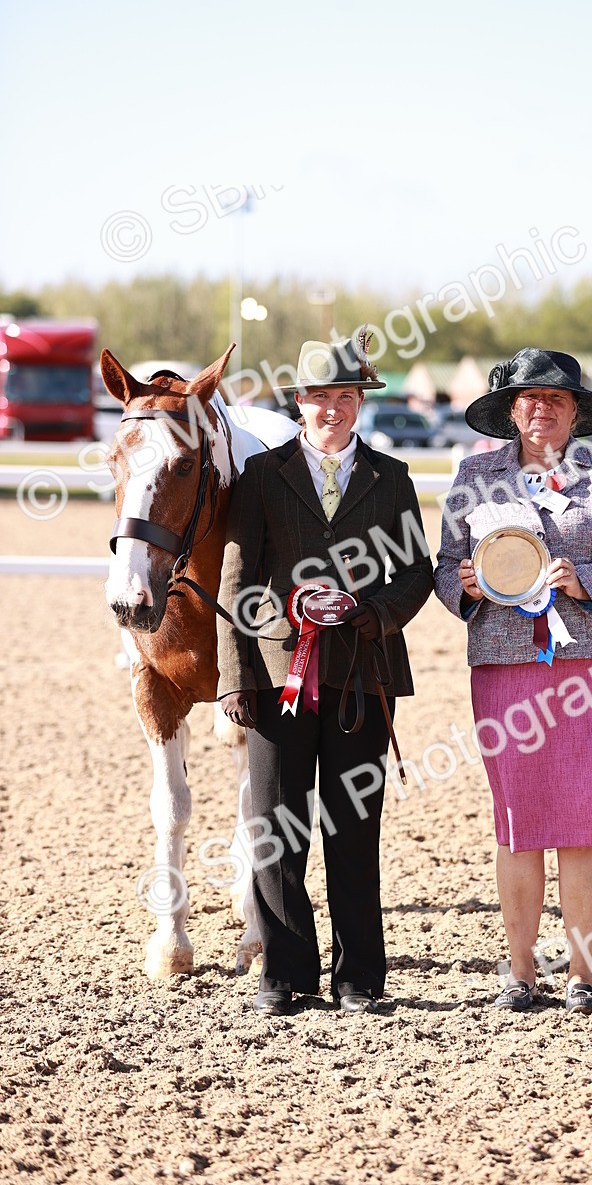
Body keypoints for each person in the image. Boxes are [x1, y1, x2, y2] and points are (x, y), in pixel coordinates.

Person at [434, 348, 592, 1015]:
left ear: (576, 412)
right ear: (509, 410)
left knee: (584, 822)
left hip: (590, 669)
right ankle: (521, 971)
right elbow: (446, 565)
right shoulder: (474, 476)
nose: (541, 408)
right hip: (504, 667)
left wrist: (588, 581)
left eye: (555, 400)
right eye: (529, 398)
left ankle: (583, 975)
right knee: (518, 824)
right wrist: (465, 587)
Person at [217, 328, 433, 1016]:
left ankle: (359, 977)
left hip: (362, 676)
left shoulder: (392, 477)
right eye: (319, 397)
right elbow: (237, 580)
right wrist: (234, 676)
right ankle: (284, 973)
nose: (332, 409)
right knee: (277, 829)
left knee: (353, 828)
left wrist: (377, 614)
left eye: (345, 396)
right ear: (299, 401)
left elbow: (417, 572)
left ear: (359, 402)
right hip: (280, 675)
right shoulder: (262, 476)